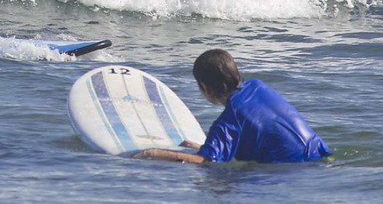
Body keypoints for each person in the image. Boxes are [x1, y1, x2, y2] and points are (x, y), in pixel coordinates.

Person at [133, 49, 333, 164]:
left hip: (297, 170)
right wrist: (208, 147)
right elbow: (260, 131)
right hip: (323, 157)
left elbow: (206, 162)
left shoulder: (228, 120)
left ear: (204, 87)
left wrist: (155, 154)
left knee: (221, 187)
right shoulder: (257, 86)